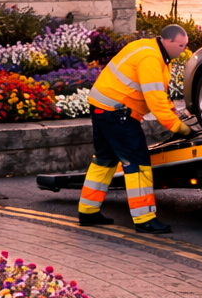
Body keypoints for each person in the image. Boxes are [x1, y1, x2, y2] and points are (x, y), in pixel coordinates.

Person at [77, 24, 193, 233]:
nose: (183, 50)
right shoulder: (151, 58)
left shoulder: (151, 50)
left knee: (104, 160)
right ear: (167, 41)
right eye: (180, 45)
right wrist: (178, 127)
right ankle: (145, 219)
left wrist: (173, 112)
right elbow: (155, 99)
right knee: (137, 162)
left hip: (104, 108)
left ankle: (88, 211)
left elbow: (159, 93)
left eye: (186, 46)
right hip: (118, 113)